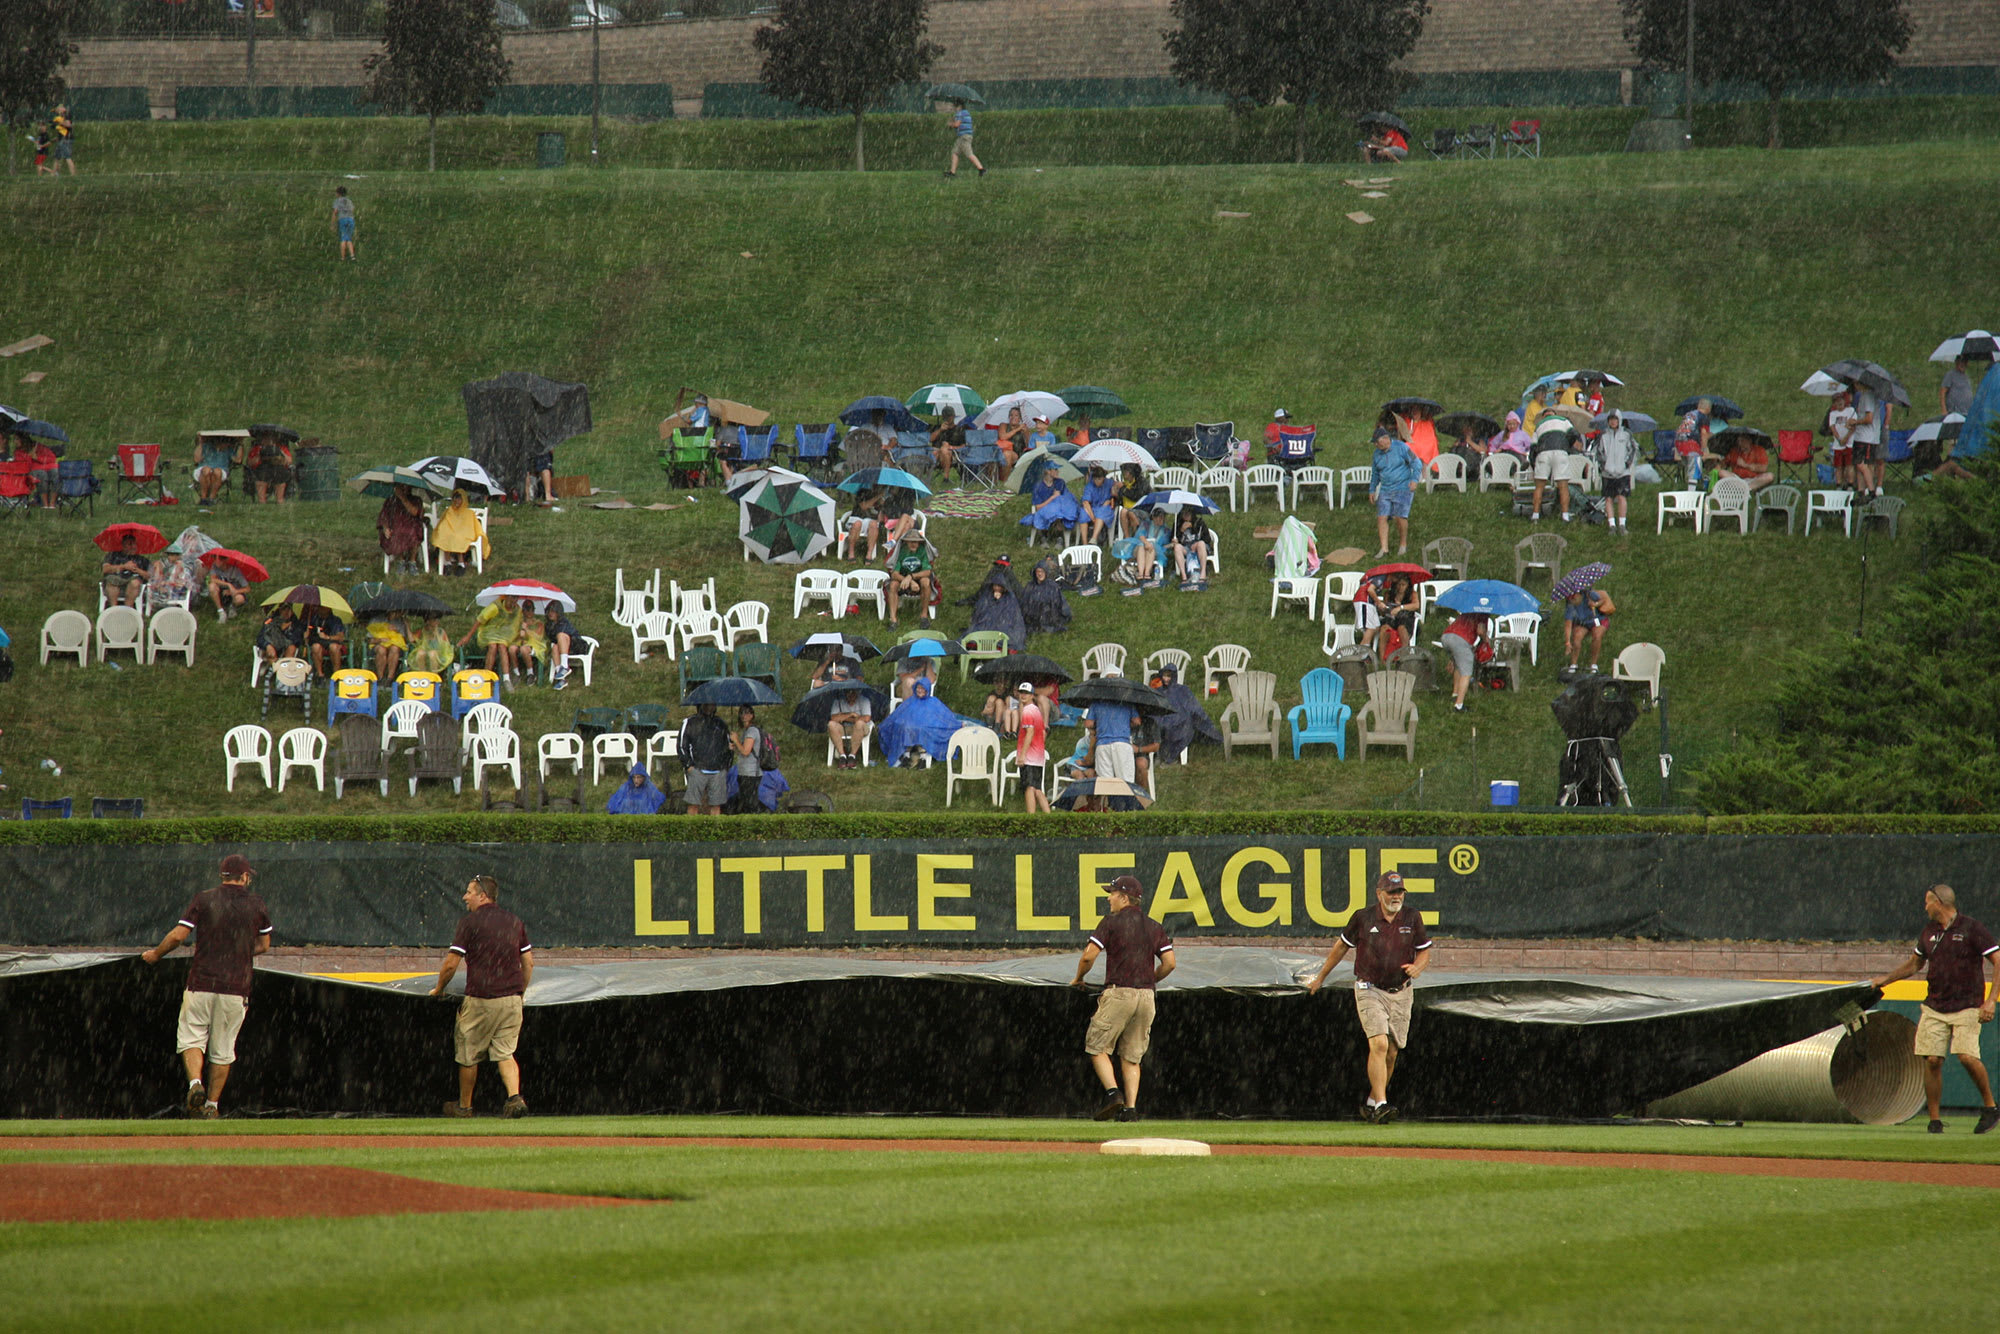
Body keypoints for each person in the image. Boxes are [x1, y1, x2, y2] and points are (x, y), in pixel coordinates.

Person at [140, 853, 272, 1119]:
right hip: (236, 987)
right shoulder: (257, 904)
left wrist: (155, 955)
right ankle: (212, 1105)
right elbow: (264, 945)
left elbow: (178, 935)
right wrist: (239, 953)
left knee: (191, 1038)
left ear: (222, 876)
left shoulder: (204, 899)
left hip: (201, 982)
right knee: (223, 1050)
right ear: (245, 877)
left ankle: (194, 1084)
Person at [1868, 885, 1998, 1135]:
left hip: (1968, 1005)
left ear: (1939, 902)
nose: (1924, 907)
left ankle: (1990, 1107)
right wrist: (1886, 979)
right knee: (1932, 1060)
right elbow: (1915, 963)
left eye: (1927, 902)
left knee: (1967, 1056)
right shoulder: (1929, 932)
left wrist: (1991, 999)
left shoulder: (1971, 928)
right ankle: (1935, 1120)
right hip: (1935, 1006)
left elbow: (1997, 959)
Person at [1306, 870, 1432, 1123]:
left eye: (1400, 892)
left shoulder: (1412, 917)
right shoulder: (1363, 918)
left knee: (1392, 1051)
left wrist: (1418, 967)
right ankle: (1383, 1105)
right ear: (1379, 894)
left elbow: (1424, 952)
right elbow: (1341, 946)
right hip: (1369, 989)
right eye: (1391, 892)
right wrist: (1320, 977)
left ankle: (1373, 1102)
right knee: (1379, 1044)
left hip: (1401, 992)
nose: (1396, 897)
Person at [1071, 875, 1174, 1121]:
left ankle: (1112, 1093)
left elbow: (1088, 957)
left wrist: (1078, 978)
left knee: (1096, 1046)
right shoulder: (1154, 926)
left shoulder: (1111, 922)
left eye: (1112, 893)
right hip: (1147, 996)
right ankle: (1130, 1110)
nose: (1108, 898)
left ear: (1124, 897)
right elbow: (1170, 963)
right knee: (1131, 1056)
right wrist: (1149, 980)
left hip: (1119, 993)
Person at [429, 875, 532, 1118]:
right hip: (512, 1000)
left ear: (482, 896)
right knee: (505, 1053)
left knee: (468, 1054)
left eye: (469, 892)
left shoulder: (469, 922)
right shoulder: (515, 921)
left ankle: (465, 1107)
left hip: (481, 999)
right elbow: (528, 962)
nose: (465, 897)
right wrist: (520, 992)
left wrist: (439, 988)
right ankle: (514, 1098)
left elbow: (451, 965)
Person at [1368, 426, 1421, 556]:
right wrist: (1372, 489)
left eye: (1377, 442)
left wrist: (1414, 479)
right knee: (1381, 517)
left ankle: (1403, 545)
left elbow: (1417, 463)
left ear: (1386, 439)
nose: (1375, 445)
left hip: (1402, 487)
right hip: (1385, 489)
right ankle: (1384, 548)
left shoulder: (1401, 447)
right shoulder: (1376, 454)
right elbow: (1375, 473)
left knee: (1399, 517)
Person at [678, 701, 733, 814]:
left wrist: (726, 766)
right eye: (706, 704)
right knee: (693, 804)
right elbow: (681, 746)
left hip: (718, 770)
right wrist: (688, 765)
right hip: (697, 769)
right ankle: (691, 829)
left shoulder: (721, 723)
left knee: (716, 805)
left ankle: (714, 829)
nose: (709, 707)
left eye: (712, 704)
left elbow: (728, 746)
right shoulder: (690, 722)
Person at [460, 594, 523, 681]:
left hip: (503, 637)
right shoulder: (495, 607)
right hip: (488, 634)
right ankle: (486, 676)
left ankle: (506, 678)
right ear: (507, 597)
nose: (514, 600)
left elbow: (515, 625)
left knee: (502, 646)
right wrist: (468, 636)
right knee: (493, 646)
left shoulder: (517, 610)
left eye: (516, 598)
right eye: (512, 597)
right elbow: (479, 620)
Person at [430, 488, 489, 576]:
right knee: (445, 536)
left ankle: (461, 563)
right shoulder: (449, 510)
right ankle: (447, 562)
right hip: (450, 533)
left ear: (464, 499)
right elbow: (443, 524)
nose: (456, 500)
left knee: (458, 537)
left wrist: (459, 531)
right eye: (455, 497)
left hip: (463, 534)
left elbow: (470, 527)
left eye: (459, 498)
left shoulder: (469, 513)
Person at [1597, 411, 1639, 534]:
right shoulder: (1603, 435)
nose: (1613, 422)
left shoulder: (1626, 434)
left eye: (1615, 419)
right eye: (1610, 419)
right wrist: (1604, 465)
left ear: (1619, 420)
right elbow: (1599, 452)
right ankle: (1611, 525)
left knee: (1622, 497)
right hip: (1607, 473)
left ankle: (1622, 524)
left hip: (1622, 472)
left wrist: (1627, 464)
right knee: (1608, 498)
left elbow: (1633, 450)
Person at [1529, 419, 1579, 523]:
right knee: (1563, 486)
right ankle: (1565, 516)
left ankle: (1535, 515)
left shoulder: (1539, 424)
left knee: (1539, 487)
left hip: (1543, 452)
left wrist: (1534, 464)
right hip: (1560, 451)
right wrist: (1567, 445)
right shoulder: (1563, 420)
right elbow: (1574, 433)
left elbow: (1533, 447)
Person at [1442, 610, 1492, 712]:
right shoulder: (1483, 614)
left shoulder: (1468, 611)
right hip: (1461, 640)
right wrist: (1485, 638)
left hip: (1446, 636)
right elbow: (1480, 631)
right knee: (1466, 673)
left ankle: (1455, 693)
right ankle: (1459, 705)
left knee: (1458, 665)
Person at [1015, 681, 1051, 813]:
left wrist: (1023, 755)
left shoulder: (1027, 711)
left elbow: (1029, 732)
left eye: (1026, 693)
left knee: (1029, 788)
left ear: (1032, 696)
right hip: (1038, 756)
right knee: (1037, 788)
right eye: (1021, 693)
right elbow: (1042, 732)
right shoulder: (1036, 710)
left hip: (1030, 757)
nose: (1023, 695)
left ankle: (1031, 818)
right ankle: (1048, 815)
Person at [1851, 381, 1890, 501]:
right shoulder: (1868, 396)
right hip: (1864, 436)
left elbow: (1869, 418)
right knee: (1864, 464)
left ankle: (1871, 491)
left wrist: (1855, 422)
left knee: (1861, 464)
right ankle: (1861, 491)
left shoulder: (1868, 396)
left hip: (1866, 437)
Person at [1084, 696, 1138, 782]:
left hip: (1102, 745)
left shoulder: (1096, 703)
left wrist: (1100, 725)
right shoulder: (1128, 702)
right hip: (1122, 745)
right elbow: (1137, 721)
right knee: (1126, 781)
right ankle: (1124, 795)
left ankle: (1109, 795)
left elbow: (1088, 723)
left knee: (1106, 783)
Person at [1562, 586, 1615, 672]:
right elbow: (1568, 624)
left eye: (1573, 596)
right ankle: (1573, 664)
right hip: (1582, 623)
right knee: (1576, 638)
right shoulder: (1570, 605)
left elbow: (1603, 599)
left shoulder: (1589, 593)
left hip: (1598, 619)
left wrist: (1595, 604)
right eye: (1569, 598)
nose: (1572, 599)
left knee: (1597, 636)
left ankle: (1593, 664)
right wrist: (1568, 642)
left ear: (1578, 594)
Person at [377, 483, 426, 574]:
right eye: (401, 486)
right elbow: (384, 516)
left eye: (405, 486)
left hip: (412, 525)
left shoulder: (416, 499)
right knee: (398, 531)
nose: (403, 488)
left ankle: (412, 561)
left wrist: (403, 498)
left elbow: (415, 512)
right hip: (396, 526)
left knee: (413, 533)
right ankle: (401, 560)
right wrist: (385, 527)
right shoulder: (391, 500)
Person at [887, 531, 933, 628]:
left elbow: (927, 571)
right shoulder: (901, 552)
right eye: (911, 541)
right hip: (902, 578)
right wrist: (908, 580)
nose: (913, 544)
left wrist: (911, 577)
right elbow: (894, 574)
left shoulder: (922, 551)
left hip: (918, 577)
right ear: (906, 542)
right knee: (893, 585)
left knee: (926, 581)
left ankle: (924, 616)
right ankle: (893, 619)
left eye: (915, 542)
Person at [828, 684, 873, 770]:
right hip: (844, 728)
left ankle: (852, 755)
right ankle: (842, 756)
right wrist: (851, 715)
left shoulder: (864, 700)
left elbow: (866, 718)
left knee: (859, 723)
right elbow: (834, 718)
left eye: (853, 692)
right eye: (848, 692)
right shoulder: (838, 701)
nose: (851, 694)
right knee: (831, 724)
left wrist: (844, 718)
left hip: (861, 727)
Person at [100, 534, 150, 608]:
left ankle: (128, 609)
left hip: (133, 581)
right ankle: (113, 609)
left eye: (134, 544)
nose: (133, 547)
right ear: (123, 546)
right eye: (130, 544)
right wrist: (124, 566)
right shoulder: (113, 555)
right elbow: (105, 569)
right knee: (112, 580)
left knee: (135, 583)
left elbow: (150, 576)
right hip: (116, 578)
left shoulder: (142, 559)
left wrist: (136, 570)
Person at [246, 428, 293, 504]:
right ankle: (262, 501)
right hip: (261, 470)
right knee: (261, 477)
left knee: (280, 475)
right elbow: (250, 463)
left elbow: (289, 461)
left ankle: (280, 500)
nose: (268, 440)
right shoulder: (257, 448)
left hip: (278, 470)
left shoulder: (281, 448)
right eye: (266, 438)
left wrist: (280, 452)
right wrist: (259, 455)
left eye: (270, 437)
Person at [1170, 509, 1212, 589]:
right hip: (1185, 548)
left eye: (1188, 513)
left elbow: (1207, 540)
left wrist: (1195, 534)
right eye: (1184, 513)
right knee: (1177, 547)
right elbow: (1173, 541)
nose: (1186, 515)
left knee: (1201, 544)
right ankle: (1184, 576)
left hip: (1199, 547)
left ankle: (1203, 574)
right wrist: (1181, 531)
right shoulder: (1177, 524)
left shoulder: (1200, 523)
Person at [542, 601, 581, 689]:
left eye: (553, 611)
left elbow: (564, 636)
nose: (550, 614)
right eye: (549, 611)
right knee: (554, 647)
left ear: (558, 612)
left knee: (560, 635)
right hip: (561, 647)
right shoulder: (549, 625)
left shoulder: (563, 622)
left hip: (576, 645)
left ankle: (564, 666)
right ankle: (561, 679)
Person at [301, 604, 346, 678]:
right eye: (319, 607)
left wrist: (327, 637)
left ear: (328, 608)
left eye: (322, 607)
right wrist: (306, 633)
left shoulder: (336, 620)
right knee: (316, 647)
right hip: (318, 641)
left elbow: (340, 637)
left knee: (334, 647)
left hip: (332, 642)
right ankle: (320, 674)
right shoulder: (313, 619)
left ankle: (336, 675)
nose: (319, 609)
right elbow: (308, 631)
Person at [193, 431, 237, 507]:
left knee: (217, 471)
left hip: (221, 469)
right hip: (203, 469)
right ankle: (203, 498)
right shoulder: (206, 447)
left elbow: (238, 460)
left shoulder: (228, 449)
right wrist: (200, 443)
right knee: (206, 470)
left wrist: (239, 444)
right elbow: (196, 459)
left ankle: (211, 498)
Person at [1826, 387, 1859, 490]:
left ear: (1844, 401)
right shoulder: (1833, 414)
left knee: (1849, 464)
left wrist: (1846, 437)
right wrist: (1839, 439)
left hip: (1849, 442)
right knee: (1838, 466)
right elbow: (1832, 427)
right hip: (1838, 444)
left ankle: (1850, 484)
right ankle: (1839, 484)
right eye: (1836, 401)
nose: (1839, 402)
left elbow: (1854, 426)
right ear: (1834, 404)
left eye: (1841, 400)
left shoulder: (1850, 411)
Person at [256, 603, 304, 669]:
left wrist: (285, 631)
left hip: (285, 647)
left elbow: (297, 640)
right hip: (270, 646)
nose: (286, 612)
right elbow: (260, 637)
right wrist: (267, 645)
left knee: (292, 648)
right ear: (279, 610)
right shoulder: (270, 620)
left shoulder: (295, 623)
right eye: (284, 609)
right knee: (271, 652)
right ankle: (273, 669)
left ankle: (285, 670)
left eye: (289, 610)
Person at [944, 101, 984, 178]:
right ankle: (952, 172)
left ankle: (981, 169)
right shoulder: (966, 113)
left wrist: (950, 124)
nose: (954, 108)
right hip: (964, 136)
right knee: (955, 152)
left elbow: (957, 124)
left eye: (955, 106)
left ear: (959, 107)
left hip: (964, 137)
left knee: (969, 154)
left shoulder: (960, 113)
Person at [1079, 465, 1116, 546]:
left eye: (1099, 479)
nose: (1097, 481)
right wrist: (1093, 518)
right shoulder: (1089, 486)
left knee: (1102, 512)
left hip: (1105, 509)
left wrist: (1113, 493)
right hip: (1092, 508)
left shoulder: (1109, 482)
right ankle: (1084, 543)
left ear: (1103, 478)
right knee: (1083, 513)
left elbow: (1119, 487)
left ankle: (1094, 538)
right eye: (1095, 479)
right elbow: (1085, 503)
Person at [367, 611, 408, 681]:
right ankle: (380, 677)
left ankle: (390, 678)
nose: (399, 614)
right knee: (381, 650)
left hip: (395, 645)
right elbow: (369, 640)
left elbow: (403, 641)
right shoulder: (376, 620)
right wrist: (380, 640)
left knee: (394, 648)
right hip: (378, 644)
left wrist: (397, 632)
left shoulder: (400, 622)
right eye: (397, 612)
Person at [208, 557, 250, 622]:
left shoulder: (236, 571)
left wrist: (234, 591)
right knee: (212, 586)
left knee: (240, 599)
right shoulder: (214, 567)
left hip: (234, 594)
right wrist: (228, 584)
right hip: (221, 593)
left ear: (225, 560)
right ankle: (221, 611)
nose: (216, 561)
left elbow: (247, 589)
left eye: (220, 559)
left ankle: (232, 606)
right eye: (215, 558)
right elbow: (212, 579)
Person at [930, 407, 966, 476]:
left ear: (953, 416)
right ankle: (946, 477)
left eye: (950, 416)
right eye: (946, 416)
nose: (948, 418)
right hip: (936, 453)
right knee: (941, 451)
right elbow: (930, 439)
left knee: (945, 449)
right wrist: (940, 430)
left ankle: (944, 477)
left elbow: (964, 445)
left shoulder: (959, 430)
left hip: (953, 453)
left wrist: (951, 447)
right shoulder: (937, 427)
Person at [1942, 354, 1979, 419]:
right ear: (1956, 362)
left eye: (1965, 362)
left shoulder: (1966, 377)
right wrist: (1944, 410)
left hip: (1966, 413)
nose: (1963, 364)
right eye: (1961, 362)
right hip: (1955, 413)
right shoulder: (1950, 375)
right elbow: (1942, 392)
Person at [332, 185, 357, 260]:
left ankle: (343, 257)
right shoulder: (349, 200)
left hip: (342, 219)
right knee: (349, 238)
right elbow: (352, 209)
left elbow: (335, 212)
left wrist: (333, 223)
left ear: (338, 193)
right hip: (350, 219)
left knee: (343, 239)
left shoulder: (337, 201)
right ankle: (352, 256)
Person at [50, 104, 75, 176]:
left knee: (68, 157)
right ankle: (53, 174)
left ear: (61, 108)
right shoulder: (61, 116)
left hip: (66, 139)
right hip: (61, 139)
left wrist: (59, 122)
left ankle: (73, 175)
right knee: (57, 157)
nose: (57, 112)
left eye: (57, 110)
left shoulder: (66, 115)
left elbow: (68, 124)